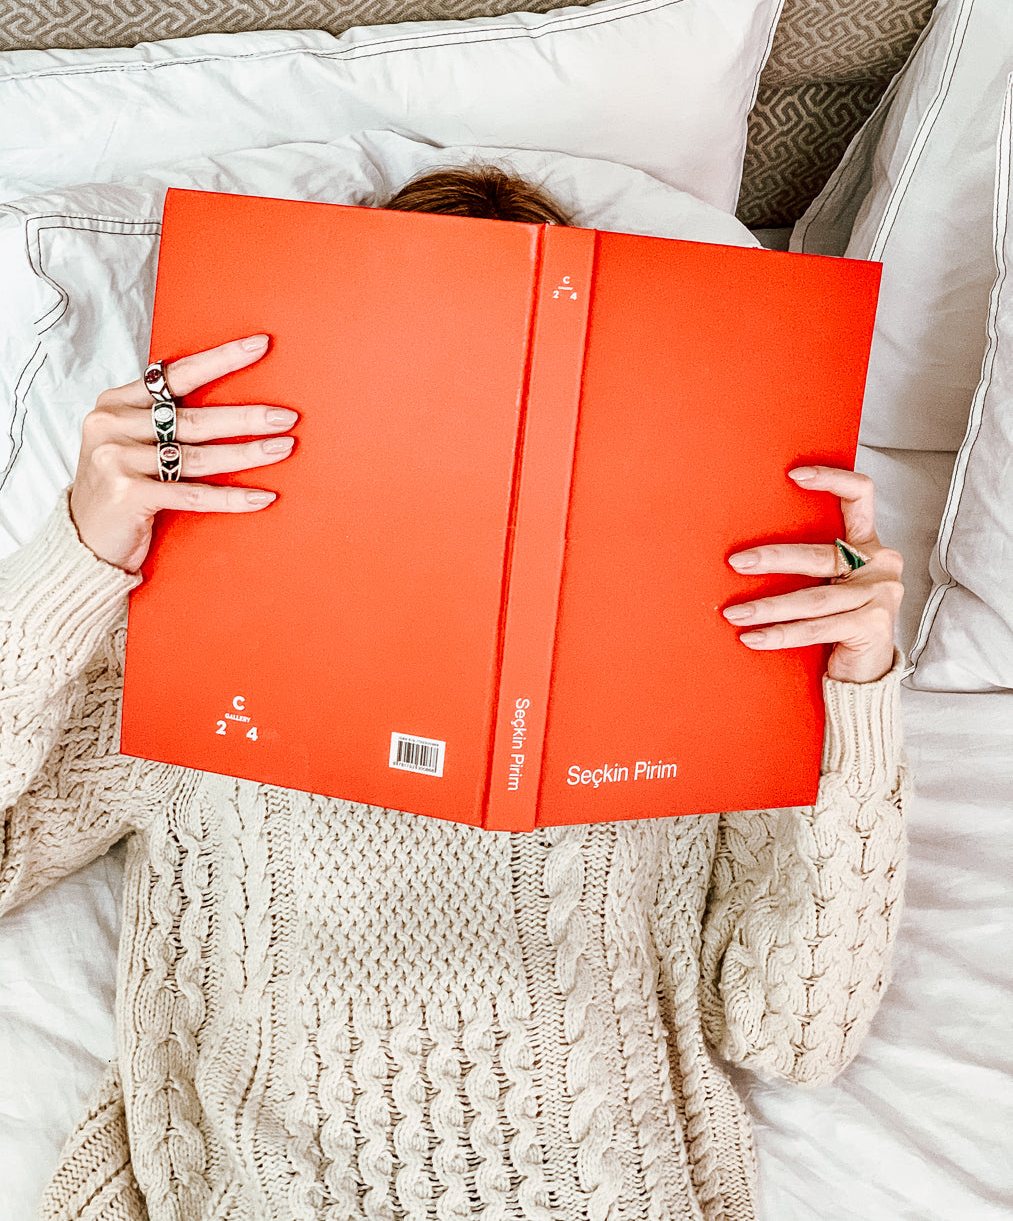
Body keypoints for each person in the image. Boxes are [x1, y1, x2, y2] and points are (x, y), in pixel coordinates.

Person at [0, 166, 907, 1221]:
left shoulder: (693, 644)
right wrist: (79, 554)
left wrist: (857, 697)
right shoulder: (196, 632)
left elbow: (791, 1032)